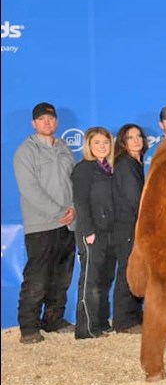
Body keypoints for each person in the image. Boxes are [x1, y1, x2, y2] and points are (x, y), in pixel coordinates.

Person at [13, 102, 77, 344]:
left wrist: (73, 210)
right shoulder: (25, 152)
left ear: (57, 121)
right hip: (41, 226)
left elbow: (75, 183)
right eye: (41, 119)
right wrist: (58, 211)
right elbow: (29, 189)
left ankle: (54, 320)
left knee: (62, 278)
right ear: (33, 124)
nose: (47, 122)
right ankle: (28, 328)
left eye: (50, 118)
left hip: (67, 225)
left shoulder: (64, 149)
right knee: (37, 278)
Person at [71, 126, 117, 340]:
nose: (101, 146)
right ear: (88, 145)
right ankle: (86, 328)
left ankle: (100, 323)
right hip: (92, 233)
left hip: (109, 232)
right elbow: (80, 201)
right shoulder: (84, 168)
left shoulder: (110, 168)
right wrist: (88, 230)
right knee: (90, 280)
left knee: (105, 279)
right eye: (97, 142)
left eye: (105, 143)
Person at [111, 123, 147, 334]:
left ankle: (133, 316)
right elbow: (135, 200)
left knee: (135, 271)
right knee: (127, 271)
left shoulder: (136, 162)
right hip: (127, 225)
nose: (136, 140)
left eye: (139, 136)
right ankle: (123, 321)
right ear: (123, 143)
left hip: (134, 224)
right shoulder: (126, 164)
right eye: (131, 137)